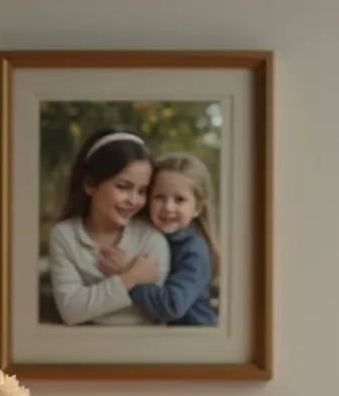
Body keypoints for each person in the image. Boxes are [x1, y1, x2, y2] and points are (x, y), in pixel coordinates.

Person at [46, 128, 170, 326]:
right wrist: (131, 277)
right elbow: (71, 310)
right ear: (90, 185)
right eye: (123, 187)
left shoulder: (151, 239)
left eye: (142, 191)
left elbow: (156, 312)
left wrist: (94, 300)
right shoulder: (64, 236)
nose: (134, 200)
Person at [103, 152, 220, 327]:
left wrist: (128, 275)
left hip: (193, 343)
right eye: (159, 197)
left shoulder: (194, 250)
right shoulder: (143, 236)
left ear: (197, 207)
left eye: (179, 199)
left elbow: (172, 305)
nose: (168, 207)